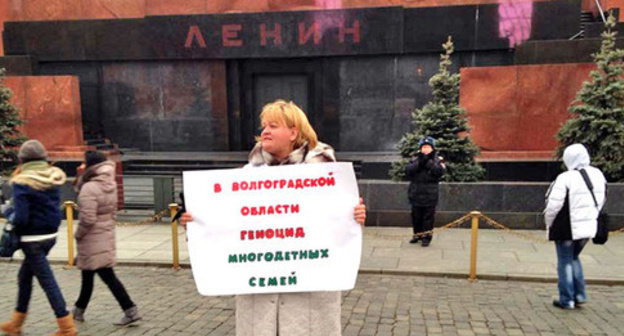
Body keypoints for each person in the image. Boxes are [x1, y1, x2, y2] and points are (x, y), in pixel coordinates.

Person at [180, 99, 366, 336]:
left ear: (293, 132)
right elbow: (227, 227)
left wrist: (355, 217)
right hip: (260, 297)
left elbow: (338, 229)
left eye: (273, 126)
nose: (264, 132)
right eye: (264, 126)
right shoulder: (246, 178)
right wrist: (197, 223)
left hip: (308, 298)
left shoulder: (328, 176)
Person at [0, 139, 78, 336]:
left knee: (47, 282)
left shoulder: (23, 182)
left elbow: (22, 216)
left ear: (22, 160)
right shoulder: (52, 177)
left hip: (31, 239)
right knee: (24, 277)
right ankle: (16, 323)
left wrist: (9, 215)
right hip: (50, 235)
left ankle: (67, 328)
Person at [72, 151, 141, 325]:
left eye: (83, 163)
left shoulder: (89, 187)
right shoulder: (109, 183)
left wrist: (77, 234)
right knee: (88, 275)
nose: (80, 166)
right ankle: (78, 311)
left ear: (90, 166)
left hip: (92, 237)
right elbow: (112, 211)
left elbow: (87, 219)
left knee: (106, 275)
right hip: (103, 234)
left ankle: (130, 309)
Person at [544, 143, 606, 309]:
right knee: (573, 257)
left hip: (567, 228)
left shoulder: (566, 177)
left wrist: (549, 224)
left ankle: (567, 299)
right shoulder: (598, 175)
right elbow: (601, 200)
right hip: (588, 227)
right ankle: (579, 294)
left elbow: (553, 206)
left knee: (564, 261)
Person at [405, 136, 445, 247]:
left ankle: (426, 237)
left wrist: (427, 162)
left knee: (428, 218)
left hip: (430, 195)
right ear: (420, 148)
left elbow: (438, 172)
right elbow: (408, 171)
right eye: (424, 147)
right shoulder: (415, 159)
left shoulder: (438, 160)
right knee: (416, 216)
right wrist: (420, 162)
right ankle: (417, 235)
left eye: (428, 147)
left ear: (432, 148)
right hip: (416, 193)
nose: (426, 149)